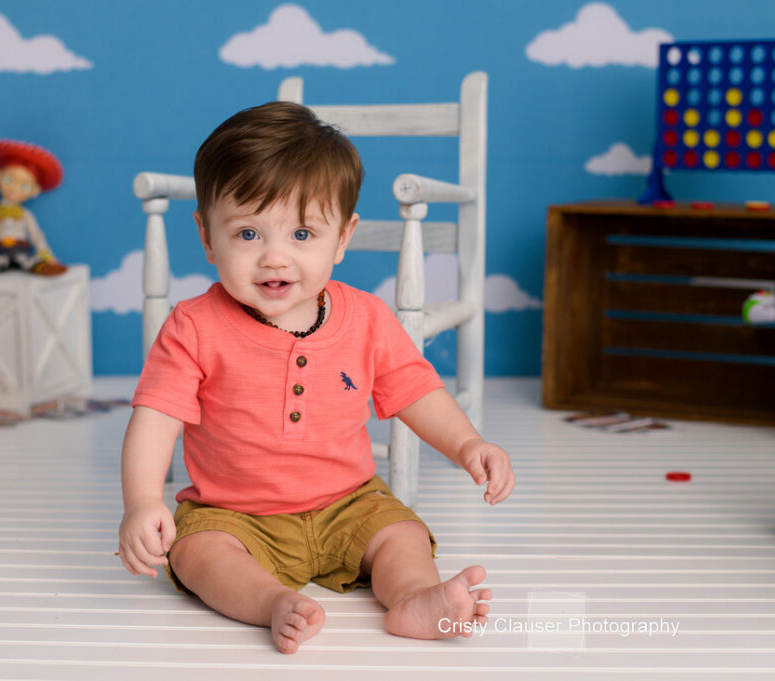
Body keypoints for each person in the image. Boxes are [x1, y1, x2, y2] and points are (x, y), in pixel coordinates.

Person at [118, 102, 515, 654]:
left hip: (348, 501)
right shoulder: (194, 326)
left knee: (400, 534)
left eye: (302, 234)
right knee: (198, 552)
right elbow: (155, 418)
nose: (275, 258)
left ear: (343, 237)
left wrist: (467, 442)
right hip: (235, 514)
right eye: (249, 234)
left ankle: (417, 598)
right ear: (207, 237)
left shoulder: (369, 318)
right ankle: (270, 602)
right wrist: (141, 501)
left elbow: (416, 390)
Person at [0, 139, 68, 279]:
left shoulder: (25, 215)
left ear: (34, 191)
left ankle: (43, 267)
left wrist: (49, 258)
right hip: (0, 253)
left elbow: (37, 237)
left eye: (24, 186)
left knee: (31, 262)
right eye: (9, 180)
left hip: (22, 252)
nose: (14, 189)